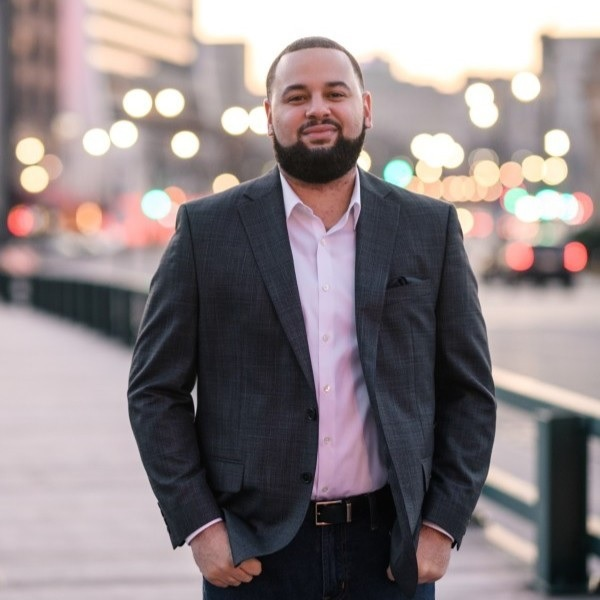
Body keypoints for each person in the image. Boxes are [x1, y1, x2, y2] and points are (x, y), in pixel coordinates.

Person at [128, 36, 496, 600]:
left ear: (364, 108)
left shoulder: (430, 229)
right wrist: (200, 527)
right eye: (296, 96)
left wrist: (441, 525)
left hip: (392, 553)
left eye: (335, 93)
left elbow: (469, 393)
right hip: (255, 556)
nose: (317, 108)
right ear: (269, 115)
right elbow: (155, 391)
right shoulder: (208, 232)